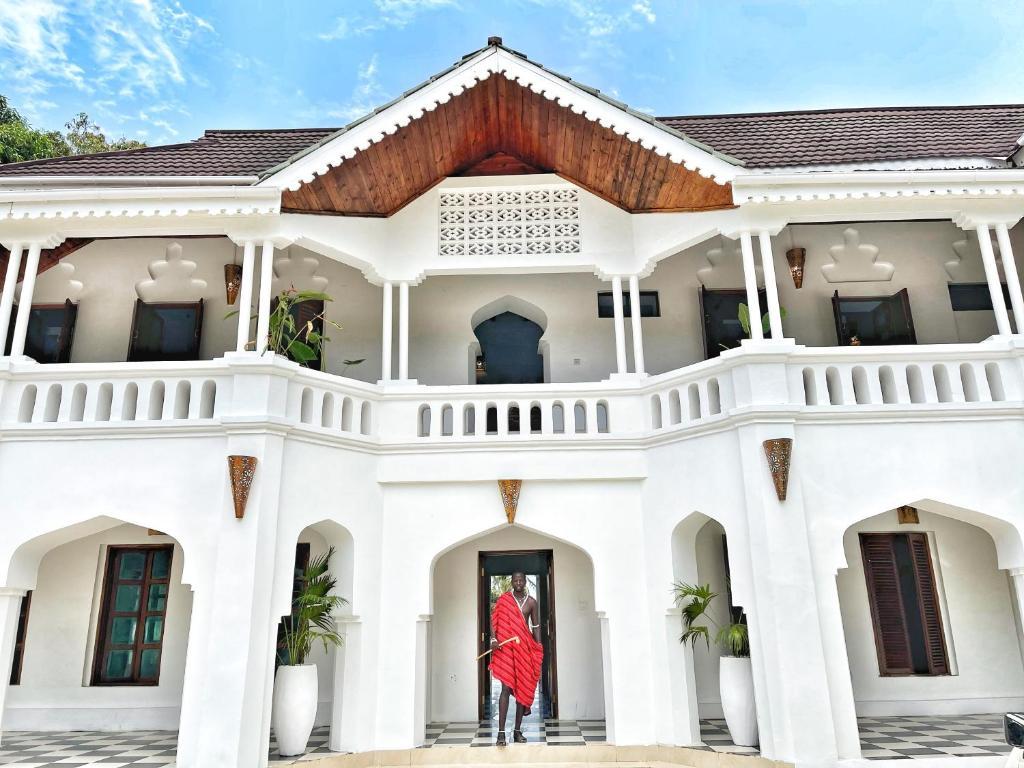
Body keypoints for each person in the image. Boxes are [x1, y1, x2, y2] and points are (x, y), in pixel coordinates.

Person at [488, 571, 543, 746]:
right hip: (506, 649)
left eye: (521, 580)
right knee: (505, 688)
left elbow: (536, 626)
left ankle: (517, 731)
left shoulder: (532, 602)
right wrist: (493, 639)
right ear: (512, 582)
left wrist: (538, 648)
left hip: (524, 649)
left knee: (522, 688)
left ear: (525, 582)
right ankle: (501, 733)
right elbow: (493, 620)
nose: (518, 582)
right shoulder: (504, 600)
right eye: (515, 580)